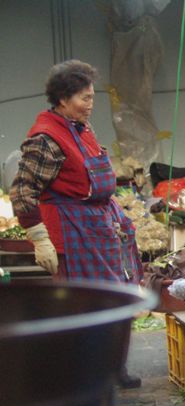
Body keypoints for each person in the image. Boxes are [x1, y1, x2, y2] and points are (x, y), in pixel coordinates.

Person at [10, 59, 143, 388]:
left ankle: (113, 367)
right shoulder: (46, 138)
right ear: (63, 99)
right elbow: (23, 191)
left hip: (99, 225)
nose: (91, 104)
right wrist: (39, 237)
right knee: (84, 305)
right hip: (73, 231)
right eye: (85, 98)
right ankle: (83, 376)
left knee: (115, 298)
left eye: (92, 96)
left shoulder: (81, 128)